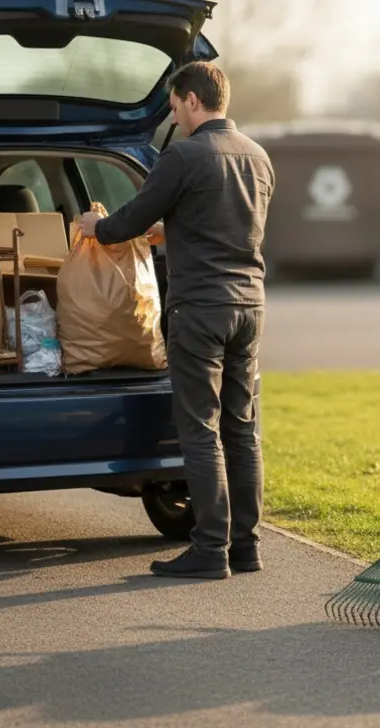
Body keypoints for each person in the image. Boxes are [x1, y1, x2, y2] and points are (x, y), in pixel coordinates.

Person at [77, 61, 274, 581]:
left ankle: (209, 550)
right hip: (249, 307)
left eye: (174, 103)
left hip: (200, 310)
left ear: (191, 101)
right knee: (242, 429)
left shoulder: (183, 155)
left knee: (200, 430)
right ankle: (245, 546)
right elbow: (223, 223)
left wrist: (95, 226)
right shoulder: (258, 157)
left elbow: (126, 224)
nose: (173, 113)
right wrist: (174, 231)